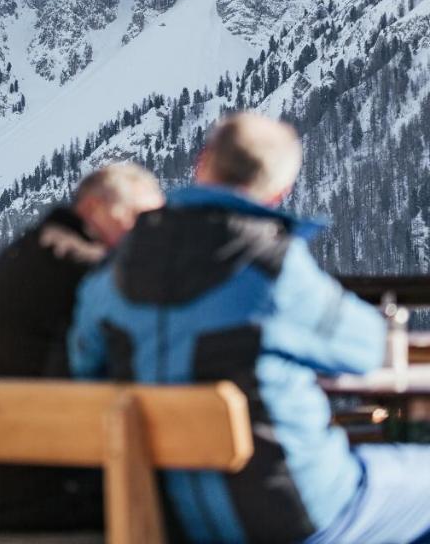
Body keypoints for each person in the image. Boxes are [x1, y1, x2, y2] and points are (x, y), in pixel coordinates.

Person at [70, 113, 430, 544]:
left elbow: (83, 367)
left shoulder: (113, 270)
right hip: (291, 512)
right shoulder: (270, 267)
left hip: (168, 515)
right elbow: (368, 348)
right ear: (280, 191)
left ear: (202, 163)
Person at [0, 163, 164, 532]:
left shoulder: (28, 251)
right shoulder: (89, 272)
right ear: (94, 207)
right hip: (46, 492)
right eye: (137, 218)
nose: (146, 235)